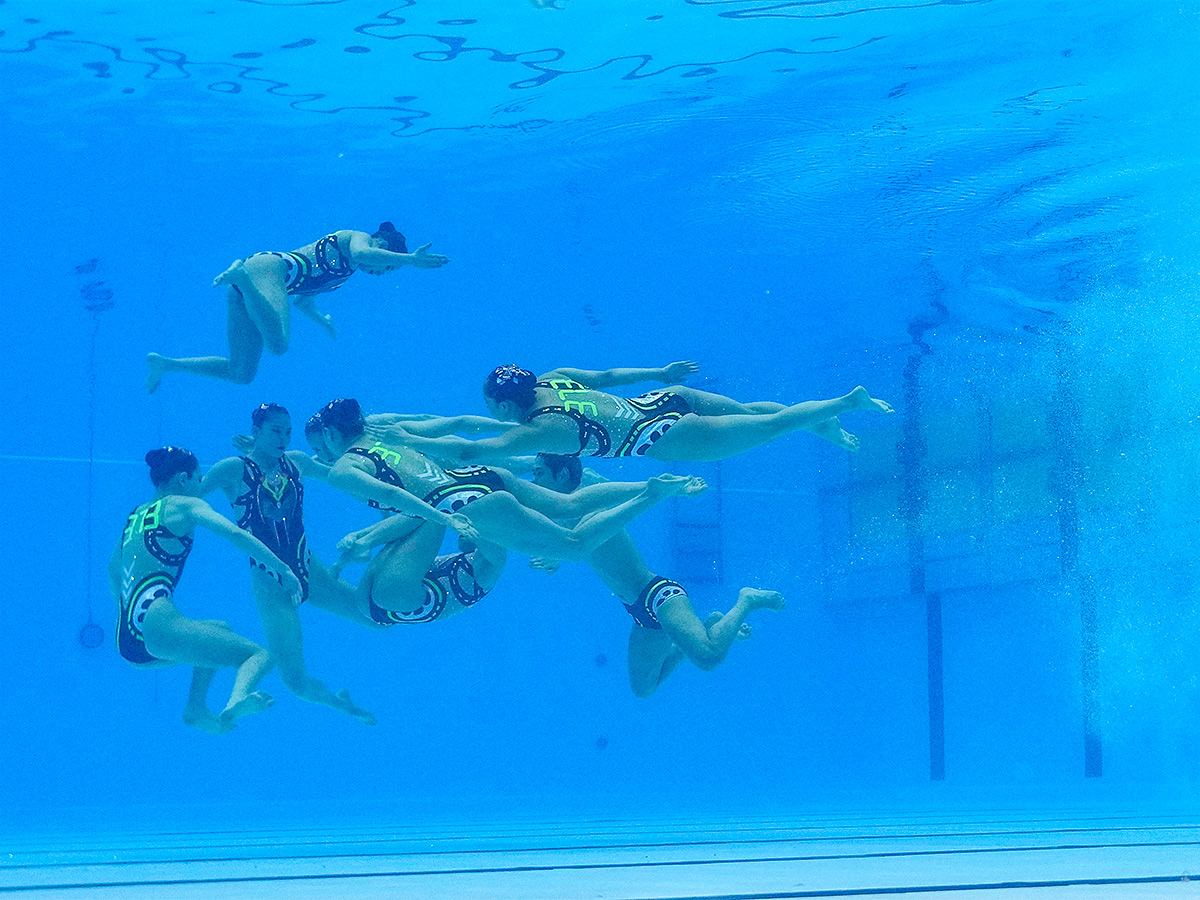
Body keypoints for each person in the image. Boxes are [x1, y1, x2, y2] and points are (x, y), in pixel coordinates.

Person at [314, 399, 707, 624]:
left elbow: (396, 497)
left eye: (321, 448)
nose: (323, 456)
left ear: (332, 436)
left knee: (571, 546)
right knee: (566, 505)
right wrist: (513, 432)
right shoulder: (387, 428)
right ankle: (647, 486)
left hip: (465, 504)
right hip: (480, 478)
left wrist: (444, 519)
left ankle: (650, 494)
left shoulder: (344, 468)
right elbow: (461, 423)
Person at [529, 453, 784, 696]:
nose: (533, 481)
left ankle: (747, 600)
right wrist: (555, 560)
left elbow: (583, 538)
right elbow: (571, 548)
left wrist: (558, 555)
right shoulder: (566, 517)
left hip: (659, 596)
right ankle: (708, 625)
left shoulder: (589, 508)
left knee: (708, 656)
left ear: (561, 475)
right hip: (638, 611)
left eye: (538, 473)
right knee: (644, 688)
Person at [201, 404, 376, 724]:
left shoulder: (296, 462)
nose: (283, 437)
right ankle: (341, 705)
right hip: (271, 586)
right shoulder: (233, 469)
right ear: (256, 432)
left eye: (287, 431)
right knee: (295, 683)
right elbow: (192, 496)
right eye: (275, 431)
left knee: (373, 616)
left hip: (310, 570)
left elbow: (342, 477)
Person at [109, 446, 302, 734]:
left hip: (127, 638)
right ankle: (236, 700)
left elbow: (113, 569)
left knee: (220, 628)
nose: (202, 486)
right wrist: (283, 570)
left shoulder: (135, 516)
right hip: (157, 620)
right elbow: (235, 534)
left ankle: (196, 708)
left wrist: (131, 617)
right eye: (199, 480)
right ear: (184, 479)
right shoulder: (185, 505)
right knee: (258, 656)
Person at [383, 361, 893, 465]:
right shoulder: (555, 378)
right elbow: (607, 377)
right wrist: (662, 371)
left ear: (498, 404)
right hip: (660, 401)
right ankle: (824, 420)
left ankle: (845, 403)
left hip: (661, 437)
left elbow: (475, 447)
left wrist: (407, 444)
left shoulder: (546, 430)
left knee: (769, 427)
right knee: (754, 411)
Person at [145, 223, 449, 391]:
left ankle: (167, 364)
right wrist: (410, 261)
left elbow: (303, 301)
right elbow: (362, 252)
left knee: (241, 373)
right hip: (268, 269)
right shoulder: (356, 238)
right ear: (381, 246)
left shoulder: (343, 276)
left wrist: (322, 321)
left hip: (249, 292)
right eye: (385, 267)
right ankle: (242, 277)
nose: (379, 273)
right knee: (277, 346)